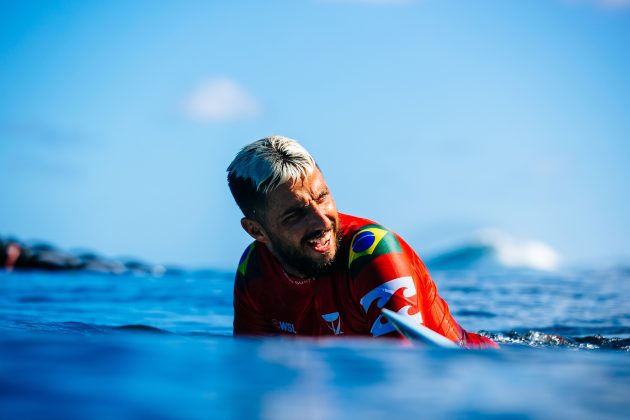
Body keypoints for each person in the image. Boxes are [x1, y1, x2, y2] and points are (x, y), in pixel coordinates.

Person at [227, 135, 498, 348]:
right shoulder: (255, 270)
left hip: (475, 372)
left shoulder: (372, 253)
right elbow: (253, 374)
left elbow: (406, 376)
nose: (322, 222)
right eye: (295, 214)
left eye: (322, 197)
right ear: (256, 231)